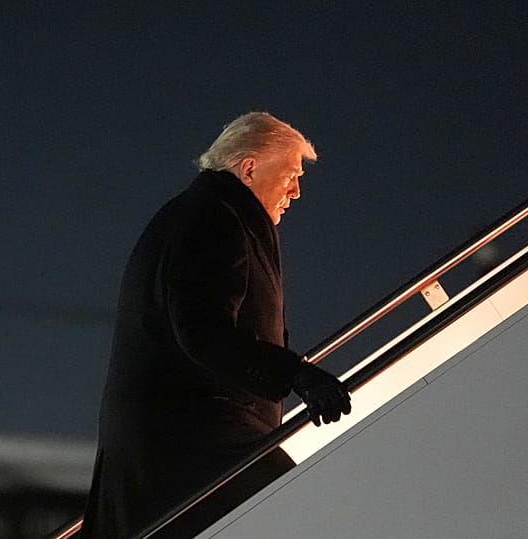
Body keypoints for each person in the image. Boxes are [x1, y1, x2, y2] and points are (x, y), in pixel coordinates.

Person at [80, 112, 351, 538]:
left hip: (169, 445)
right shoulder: (215, 219)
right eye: (291, 176)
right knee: (306, 512)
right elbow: (204, 331)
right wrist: (296, 373)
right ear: (249, 168)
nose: (296, 191)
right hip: (197, 440)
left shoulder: (196, 213)